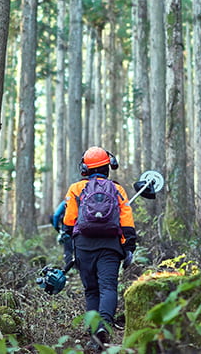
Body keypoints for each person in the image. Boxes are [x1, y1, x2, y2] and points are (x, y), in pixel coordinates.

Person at [62, 146, 136, 349]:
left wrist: (70, 243)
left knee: (91, 290)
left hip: (84, 245)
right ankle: (104, 325)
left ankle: (94, 330)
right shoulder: (118, 189)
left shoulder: (76, 189)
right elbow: (127, 221)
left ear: (85, 168)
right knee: (108, 287)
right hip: (110, 246)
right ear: (108, 167)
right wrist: (129, 246)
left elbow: (69, 221)